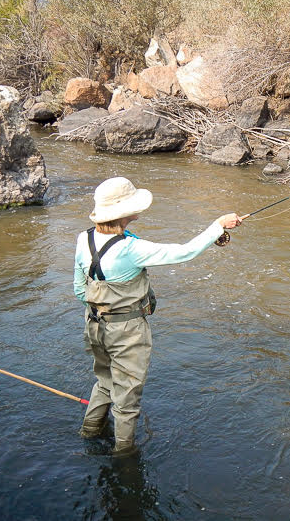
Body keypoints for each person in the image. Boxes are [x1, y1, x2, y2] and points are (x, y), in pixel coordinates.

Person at [73, 177, 243, 455]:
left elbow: (80, 288)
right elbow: (184, 252)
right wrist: (218, 226)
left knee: (104, 383)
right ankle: (124, 457)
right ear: (124, 211)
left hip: (93, 324)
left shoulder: (84, 238)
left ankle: (88, 434)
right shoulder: (131, 249)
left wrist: (101, 310)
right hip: (127, 331)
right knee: (127, 400)